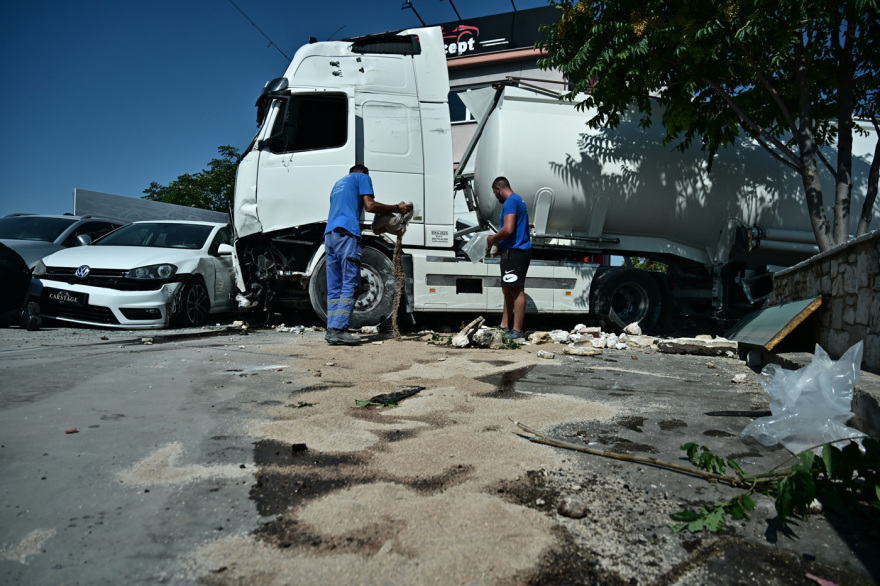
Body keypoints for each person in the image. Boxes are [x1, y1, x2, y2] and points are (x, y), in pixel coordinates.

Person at [324, 164, 414, 345]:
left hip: (330, 236)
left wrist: (374, 228)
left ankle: (332, 329)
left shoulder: (337, 185)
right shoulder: (362, 177)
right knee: (352, 283)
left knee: (335, 286)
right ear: (363, 173)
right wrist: (397, 208)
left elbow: (346, 214)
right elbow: (370, 206)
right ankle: (339, 329)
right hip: (347, 236)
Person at [485, 176, 531, 340]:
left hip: (515, 251)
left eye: (494, 192)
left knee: (516, 290)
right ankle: (504, 326)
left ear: (498, 188)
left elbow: (509, 229)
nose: (495, 196)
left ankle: (517, 330)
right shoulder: (518, 200)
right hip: (514, 250)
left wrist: (493, 239)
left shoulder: (511, 202)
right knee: (508, 289)